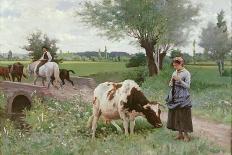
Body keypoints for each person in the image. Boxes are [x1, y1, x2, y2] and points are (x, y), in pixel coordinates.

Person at [166, 57, 193, 142]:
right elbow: (170, 84)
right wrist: (171, 82)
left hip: (183, 96)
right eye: (174, 65)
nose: (175, 67)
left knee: (183, 115)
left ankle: (186, 136)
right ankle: (179, 134)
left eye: (176, 65)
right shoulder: (174, 72)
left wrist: (180, 80)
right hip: (174, 96)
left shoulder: (186, 73)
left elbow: (188, 86)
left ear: (181, 64)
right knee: (176, 115)